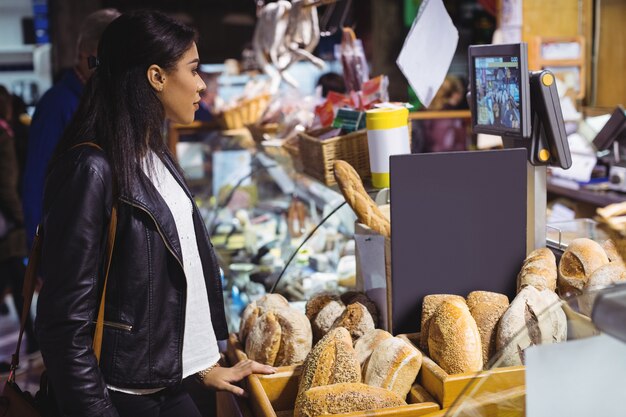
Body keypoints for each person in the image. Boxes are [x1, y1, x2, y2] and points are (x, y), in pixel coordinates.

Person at [35, 10, 274, 417]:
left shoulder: (151, 150)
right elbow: (63, 325)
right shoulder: (92, 168)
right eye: (194, 70)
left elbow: (158, 290)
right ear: (156, 76)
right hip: (119, 397)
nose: (201, 85)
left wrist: (201, 367)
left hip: (165, 385)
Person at [22, 8, 120, 248]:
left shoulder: (103, 100)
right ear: (84, 54)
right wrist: (40, 254)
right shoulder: (57, 104)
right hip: (70, 243)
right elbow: (36, 182)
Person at [0, 85, 39, 373]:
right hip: (9, 225)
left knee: (16, 277)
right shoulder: (4, 135)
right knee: (17, 276)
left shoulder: (9, 133)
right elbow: (7, 184)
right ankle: (33, 338)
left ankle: (33, 338)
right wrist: (20, 216)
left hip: (8, 225)